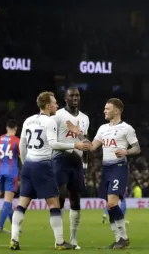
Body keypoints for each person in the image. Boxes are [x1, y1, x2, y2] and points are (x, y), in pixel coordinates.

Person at [10, 91, 91, 250]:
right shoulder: (50, 121)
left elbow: (21, 145)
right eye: (54, 103)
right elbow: (54, 144)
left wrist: (25, 163)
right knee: (54, 204)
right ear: (48, 106)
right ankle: (60, 242)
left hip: (28, 166)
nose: (56, 105)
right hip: (43, 165)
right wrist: (75, 145)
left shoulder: (28, 120)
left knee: (22, 204)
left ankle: (14, 238)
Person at [67, 98, 140, 249]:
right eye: (105, 108)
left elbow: (137, 148)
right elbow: (92, 147)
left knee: (112, 203)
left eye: (107, 108)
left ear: (117, 111)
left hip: (119, 167)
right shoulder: (102, 128)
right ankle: (118, 238)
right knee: (109, 205)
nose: (104, 111)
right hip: (106, 169)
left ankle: (124, 238)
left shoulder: (126, 128)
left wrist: (126, 151)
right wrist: (77, 133)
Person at [51, 87, 90, 249]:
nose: (75, 98)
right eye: (71, 95)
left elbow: (86, 142)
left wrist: (85, 166)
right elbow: (51, 140)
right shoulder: (58, 115)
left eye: (77, 95)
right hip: (60, 159)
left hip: (77, 162)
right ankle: (59, 239)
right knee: (60, 196)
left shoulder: (85, 118)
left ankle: (73, 239)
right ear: (65, 98)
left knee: (76, 198)